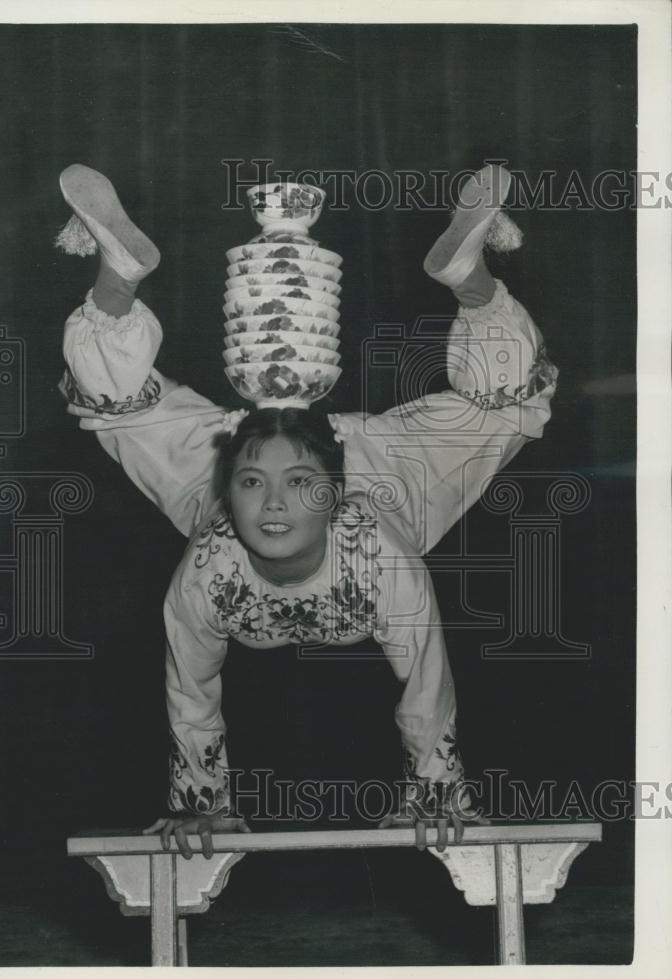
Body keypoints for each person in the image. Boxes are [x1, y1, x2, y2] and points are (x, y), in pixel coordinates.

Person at [56, 163, 558, 859]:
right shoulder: (210, 563)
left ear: (333, 488)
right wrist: (201, 806)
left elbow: (425, 680)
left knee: (507, 409)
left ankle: (469, 276)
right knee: (118, 412)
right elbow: (191, 691)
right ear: (227, 490)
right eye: (253, 488)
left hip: (383, 475)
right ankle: (117, 276)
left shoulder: (380, 558)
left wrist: (437, 793)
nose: (273, 507)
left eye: (296, 488)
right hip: (241, 450)